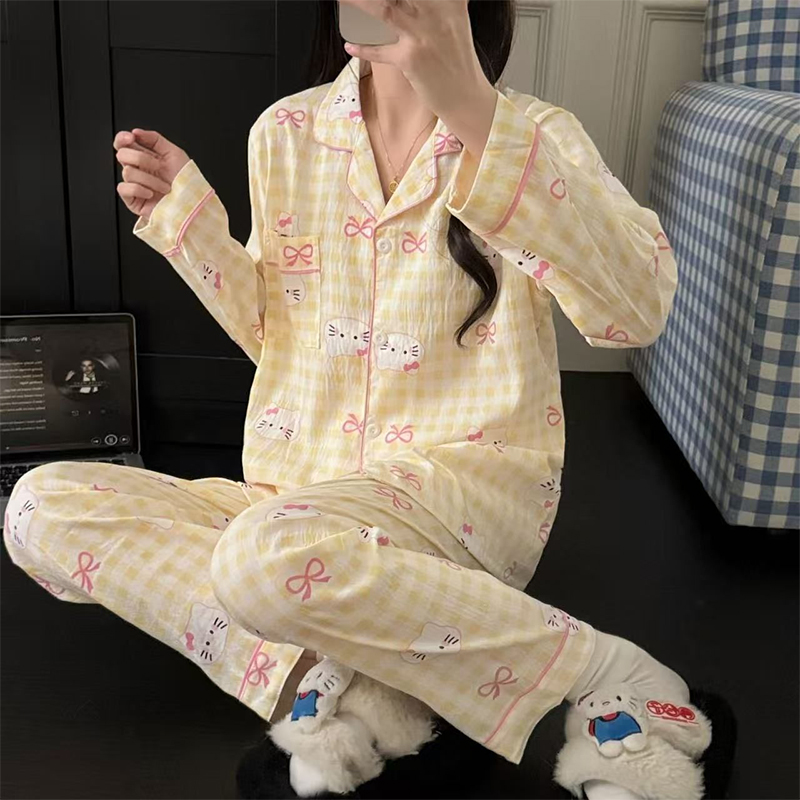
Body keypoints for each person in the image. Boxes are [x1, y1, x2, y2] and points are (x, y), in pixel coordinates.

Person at [3, 1, 720, 798]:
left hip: (459, 496)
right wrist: (190, 228)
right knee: (37, 507)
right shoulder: (286, 132)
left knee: (259, 559)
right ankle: (370, 676)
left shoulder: (536, 134)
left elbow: (635, 312)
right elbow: (285, 340)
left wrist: (475, 112)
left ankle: (601, 668)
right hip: (297, 499)